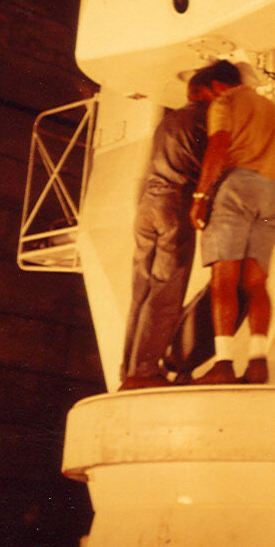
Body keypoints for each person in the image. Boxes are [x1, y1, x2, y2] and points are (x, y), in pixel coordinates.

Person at [188, 61, 275, 384]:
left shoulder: (225, 103)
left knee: (224, 282)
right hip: (271, 195)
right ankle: (258, 362)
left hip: (236, 188)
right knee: (257, 284)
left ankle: (223, 365)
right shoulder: (273, 109)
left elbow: (218, 146)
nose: (201, 104)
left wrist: (201, 197)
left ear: (217, 86)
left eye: (200, 97)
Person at [119, 74, 215, 390]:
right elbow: (211, 165)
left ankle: (130, 370)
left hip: (148, 204)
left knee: (141, 292)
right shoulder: (205, 118)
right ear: (205, 91)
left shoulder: (168, 120)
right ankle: (145, 372)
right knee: (165, 294)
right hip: (175, 204)